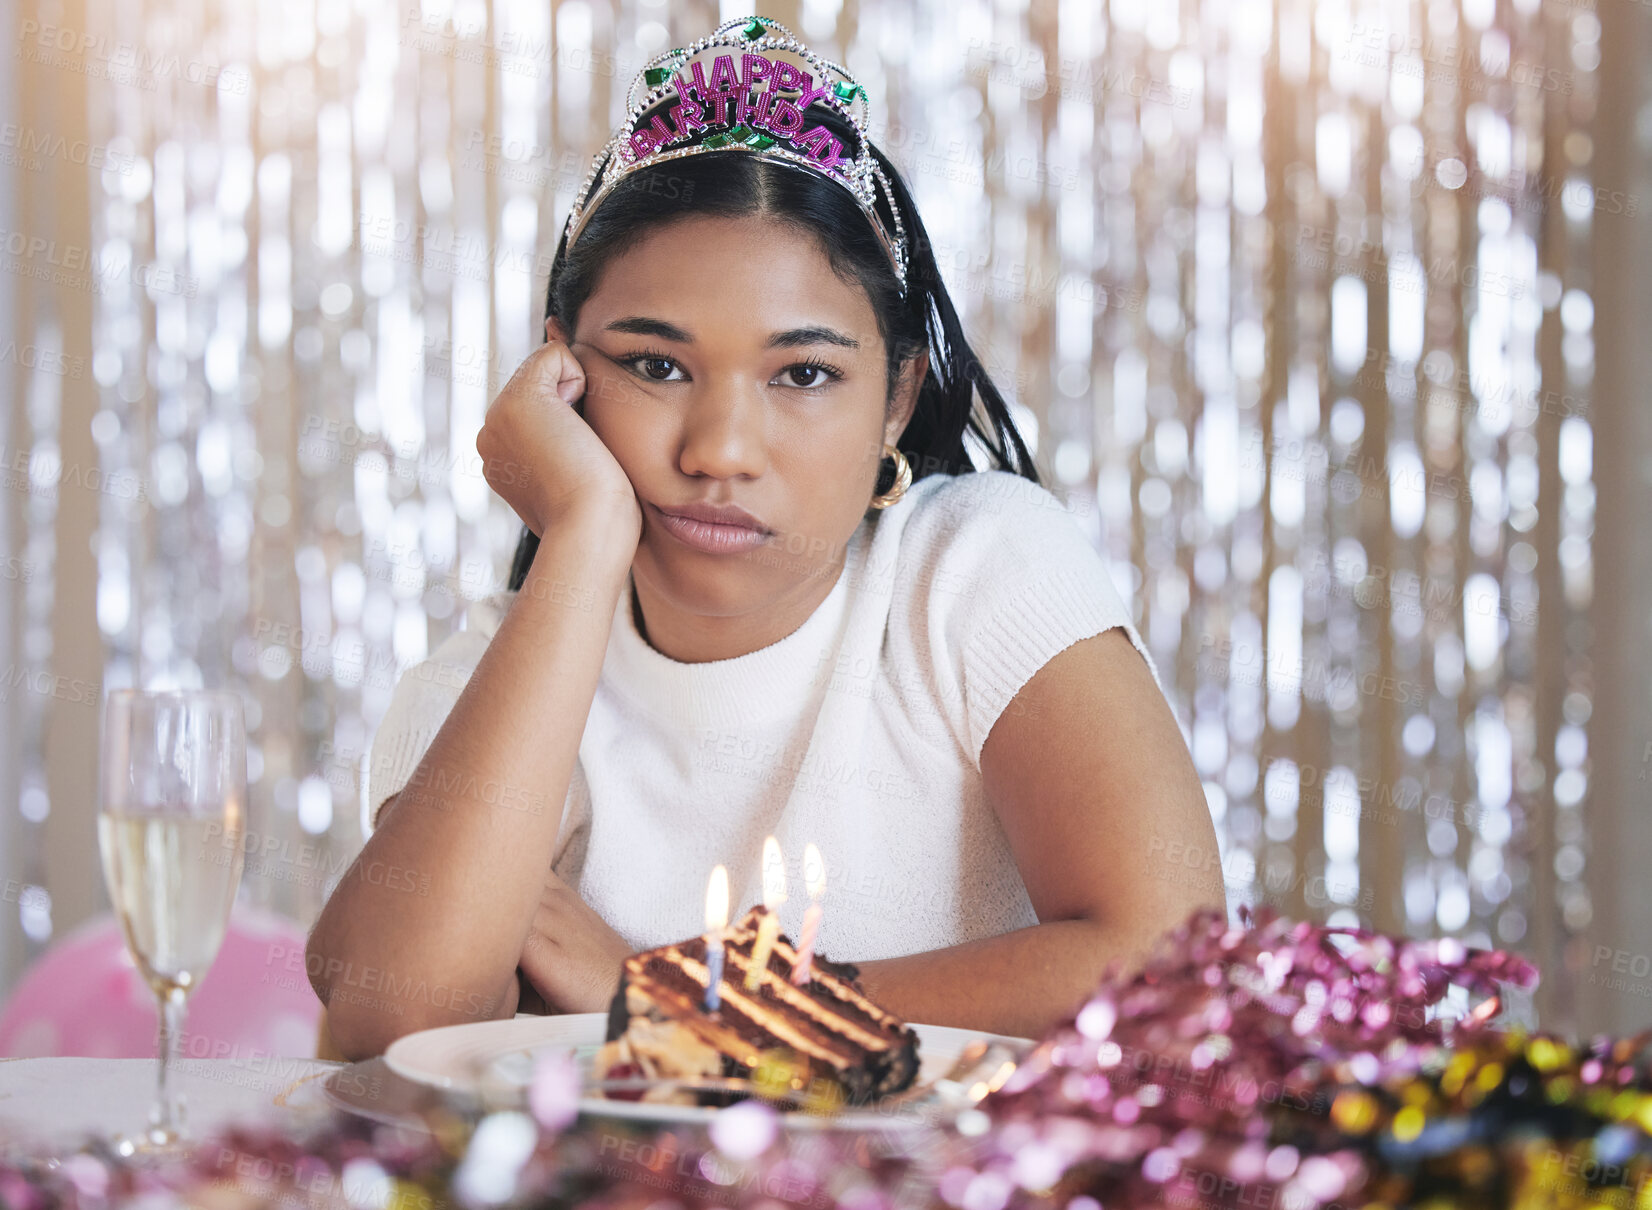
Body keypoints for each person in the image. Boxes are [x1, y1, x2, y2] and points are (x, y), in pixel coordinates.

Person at [307, 15, 1223, 1062]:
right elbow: (386, 1022)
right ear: (559, 376)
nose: (719, 450)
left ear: (893, 402)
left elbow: (1174, 968)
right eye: (654, 365)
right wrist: (584, 533)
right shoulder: (508, 669)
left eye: (801, 375)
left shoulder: (974, 570)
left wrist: (690, 1006)